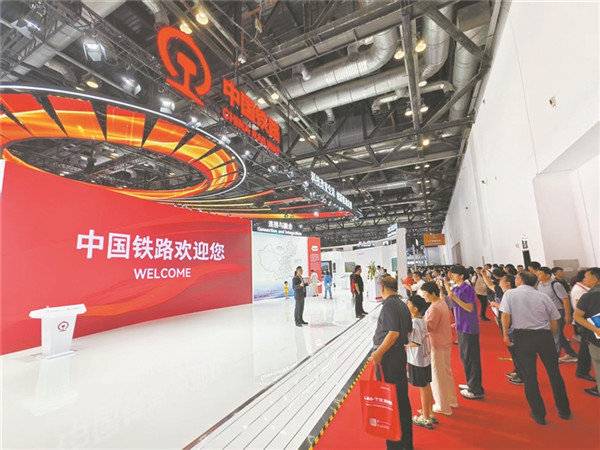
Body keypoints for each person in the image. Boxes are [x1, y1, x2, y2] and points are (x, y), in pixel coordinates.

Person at [500, 270, 570, 425]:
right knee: (554, 373)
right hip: (544, 336)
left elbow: (505, 315)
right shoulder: (542, 296)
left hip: (523, 337)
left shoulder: (510, 294)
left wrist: (505, 334)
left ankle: (538, 413)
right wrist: (550, 336)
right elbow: (554, 320)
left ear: (519, 279)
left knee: (529, 375)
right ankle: (564, 409)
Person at [369, 276, 413, 450]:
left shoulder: (389, 305)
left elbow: (393, 333)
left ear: (382, 288)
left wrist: (378, 353)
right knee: (401, 399)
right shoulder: (402, 304)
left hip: (389, 358)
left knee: (390, 400)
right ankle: (406, 443)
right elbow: (408, 331)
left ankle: (395, 444)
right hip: (398, 354)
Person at [444, 265, 485, 400]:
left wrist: (454, 298)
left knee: (471, 358)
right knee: (464, 357)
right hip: (461, 327)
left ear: (461, 275)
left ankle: (476, 389)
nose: (451, 276)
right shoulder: (456, 288)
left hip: (469, 327)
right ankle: (470, 383)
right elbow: (454, 306)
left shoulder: (467, 288)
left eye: (454, 274)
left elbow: (469, 307)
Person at [421, 281, 457, 416]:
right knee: (446, 372)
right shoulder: (441, 303)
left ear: (432, 294)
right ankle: (451, 400)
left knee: (437, 376)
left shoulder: (434, 308)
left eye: (425, 294)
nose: (424, 297)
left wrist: (419, 321)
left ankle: (442, 405)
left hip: (437, 345)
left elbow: (430, 327)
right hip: (445, 342)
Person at [537, 266, 578, 362]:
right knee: (559, 335)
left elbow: (565, 300)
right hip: (548, 313)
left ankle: (554, 358)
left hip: (558, 312)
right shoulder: (540, 285)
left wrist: (568, 315)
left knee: (555, 335)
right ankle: (571, 354)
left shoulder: (556, 285)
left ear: (548, 275)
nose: (538, 276)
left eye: (540, 274)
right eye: (537, 274)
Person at [406, 295, 435, 430]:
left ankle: (426, 418)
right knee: (427, 385)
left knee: (422, 387)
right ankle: (429, 412)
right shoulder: (421, 320)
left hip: (417, 360)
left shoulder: (414, 323)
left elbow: (416, 343)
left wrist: (403, 343)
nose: (407, 306)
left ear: (415, 308)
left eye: (408, 304)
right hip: (426, 358)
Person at [574, 267, 600, 397]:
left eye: (586, 277)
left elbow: (577, 316)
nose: (584, 280)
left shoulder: (588, 296)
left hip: (595, 337)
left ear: (595, 280)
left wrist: (595, 329)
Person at [571, 269, 594, 381]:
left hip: (588, 322)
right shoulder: (580, 291)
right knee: (586, 348)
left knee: (586, 348)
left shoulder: (584, 289)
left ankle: (582, 370)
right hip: (587, 323)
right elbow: (581, 310)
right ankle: (582, 371)